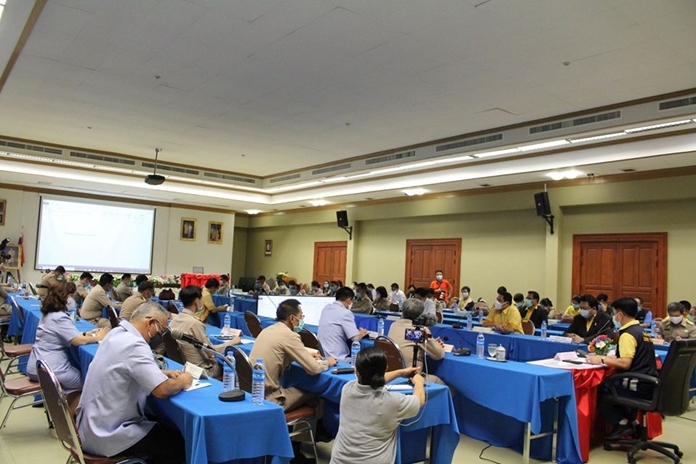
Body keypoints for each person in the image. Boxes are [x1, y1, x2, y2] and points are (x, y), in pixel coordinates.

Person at [76, 302, 193, 462]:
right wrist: (183, 381)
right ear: (151, 323)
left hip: (89, 427)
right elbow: (162, 390)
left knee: (160, 428)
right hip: (108, 435)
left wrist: (159, 372)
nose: (161, 336)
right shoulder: (135, 344)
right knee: (179, 444)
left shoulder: (116, 333)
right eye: (161, 330)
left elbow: (123, 367)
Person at [329, 347, 424, 464]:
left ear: (356, 372)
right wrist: (419, 381)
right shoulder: (393, 402)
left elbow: (373, 379)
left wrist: (401, 373)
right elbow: (419, 400)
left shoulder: (347, 389)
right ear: (386, 369)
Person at [587, 297, 657, 439]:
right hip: (649, 383)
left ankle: (621, 424)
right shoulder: (642, 332)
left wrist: (601, 359)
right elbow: (633, 358)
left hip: (636, 384)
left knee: (603, 390)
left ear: (620, 314)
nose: (614, 317)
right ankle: (634, 423)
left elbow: (626, 363)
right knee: (613, 388)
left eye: (614, 313)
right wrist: (607, 358)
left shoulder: (628, 335)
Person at [249, 298, 337, 411]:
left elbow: (285, 349)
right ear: (292, 318)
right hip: (270, 398)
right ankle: (315, 427)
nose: (302, 320)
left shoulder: (267, 330)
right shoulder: (290, 336)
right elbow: (313, 369)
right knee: (317, 391)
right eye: (301, 317)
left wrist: (306, 354)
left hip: (252, 391)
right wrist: (328, 362)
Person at [27, 282, 108, 397]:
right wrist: (99, 337)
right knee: (89, 381)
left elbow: (63, 335)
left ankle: (64, 407)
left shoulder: (48, 314)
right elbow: (77, 341)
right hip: (51, 370)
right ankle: (69, 412)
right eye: (70, 296)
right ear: (63, 298)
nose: (72, 299)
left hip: (37, 366)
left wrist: (86, 334)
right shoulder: (60, 317)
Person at [170, 285, 241, 378]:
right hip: (201, 370)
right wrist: (232, 342)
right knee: (231, 366)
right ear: (197, 301)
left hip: (184, 365)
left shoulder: (174, 320)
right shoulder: (195, 323)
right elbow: (211, 351)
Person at [388, 299, 445, 383]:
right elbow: (439, 355)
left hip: (392, 374)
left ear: (402, 311)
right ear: (421, 315)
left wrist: (429, 341)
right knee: (447, 386)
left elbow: (408, 342)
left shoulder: (393, 325)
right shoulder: (418, 331)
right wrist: (429, 337)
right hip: (411, 377)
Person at [318, 287, 368, 362]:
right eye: (352, 300)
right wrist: (362, 333)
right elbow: (355, 338)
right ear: (349, 300)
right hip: (337, 358)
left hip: (323, 355)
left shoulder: (326, 308)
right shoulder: (346, 313)